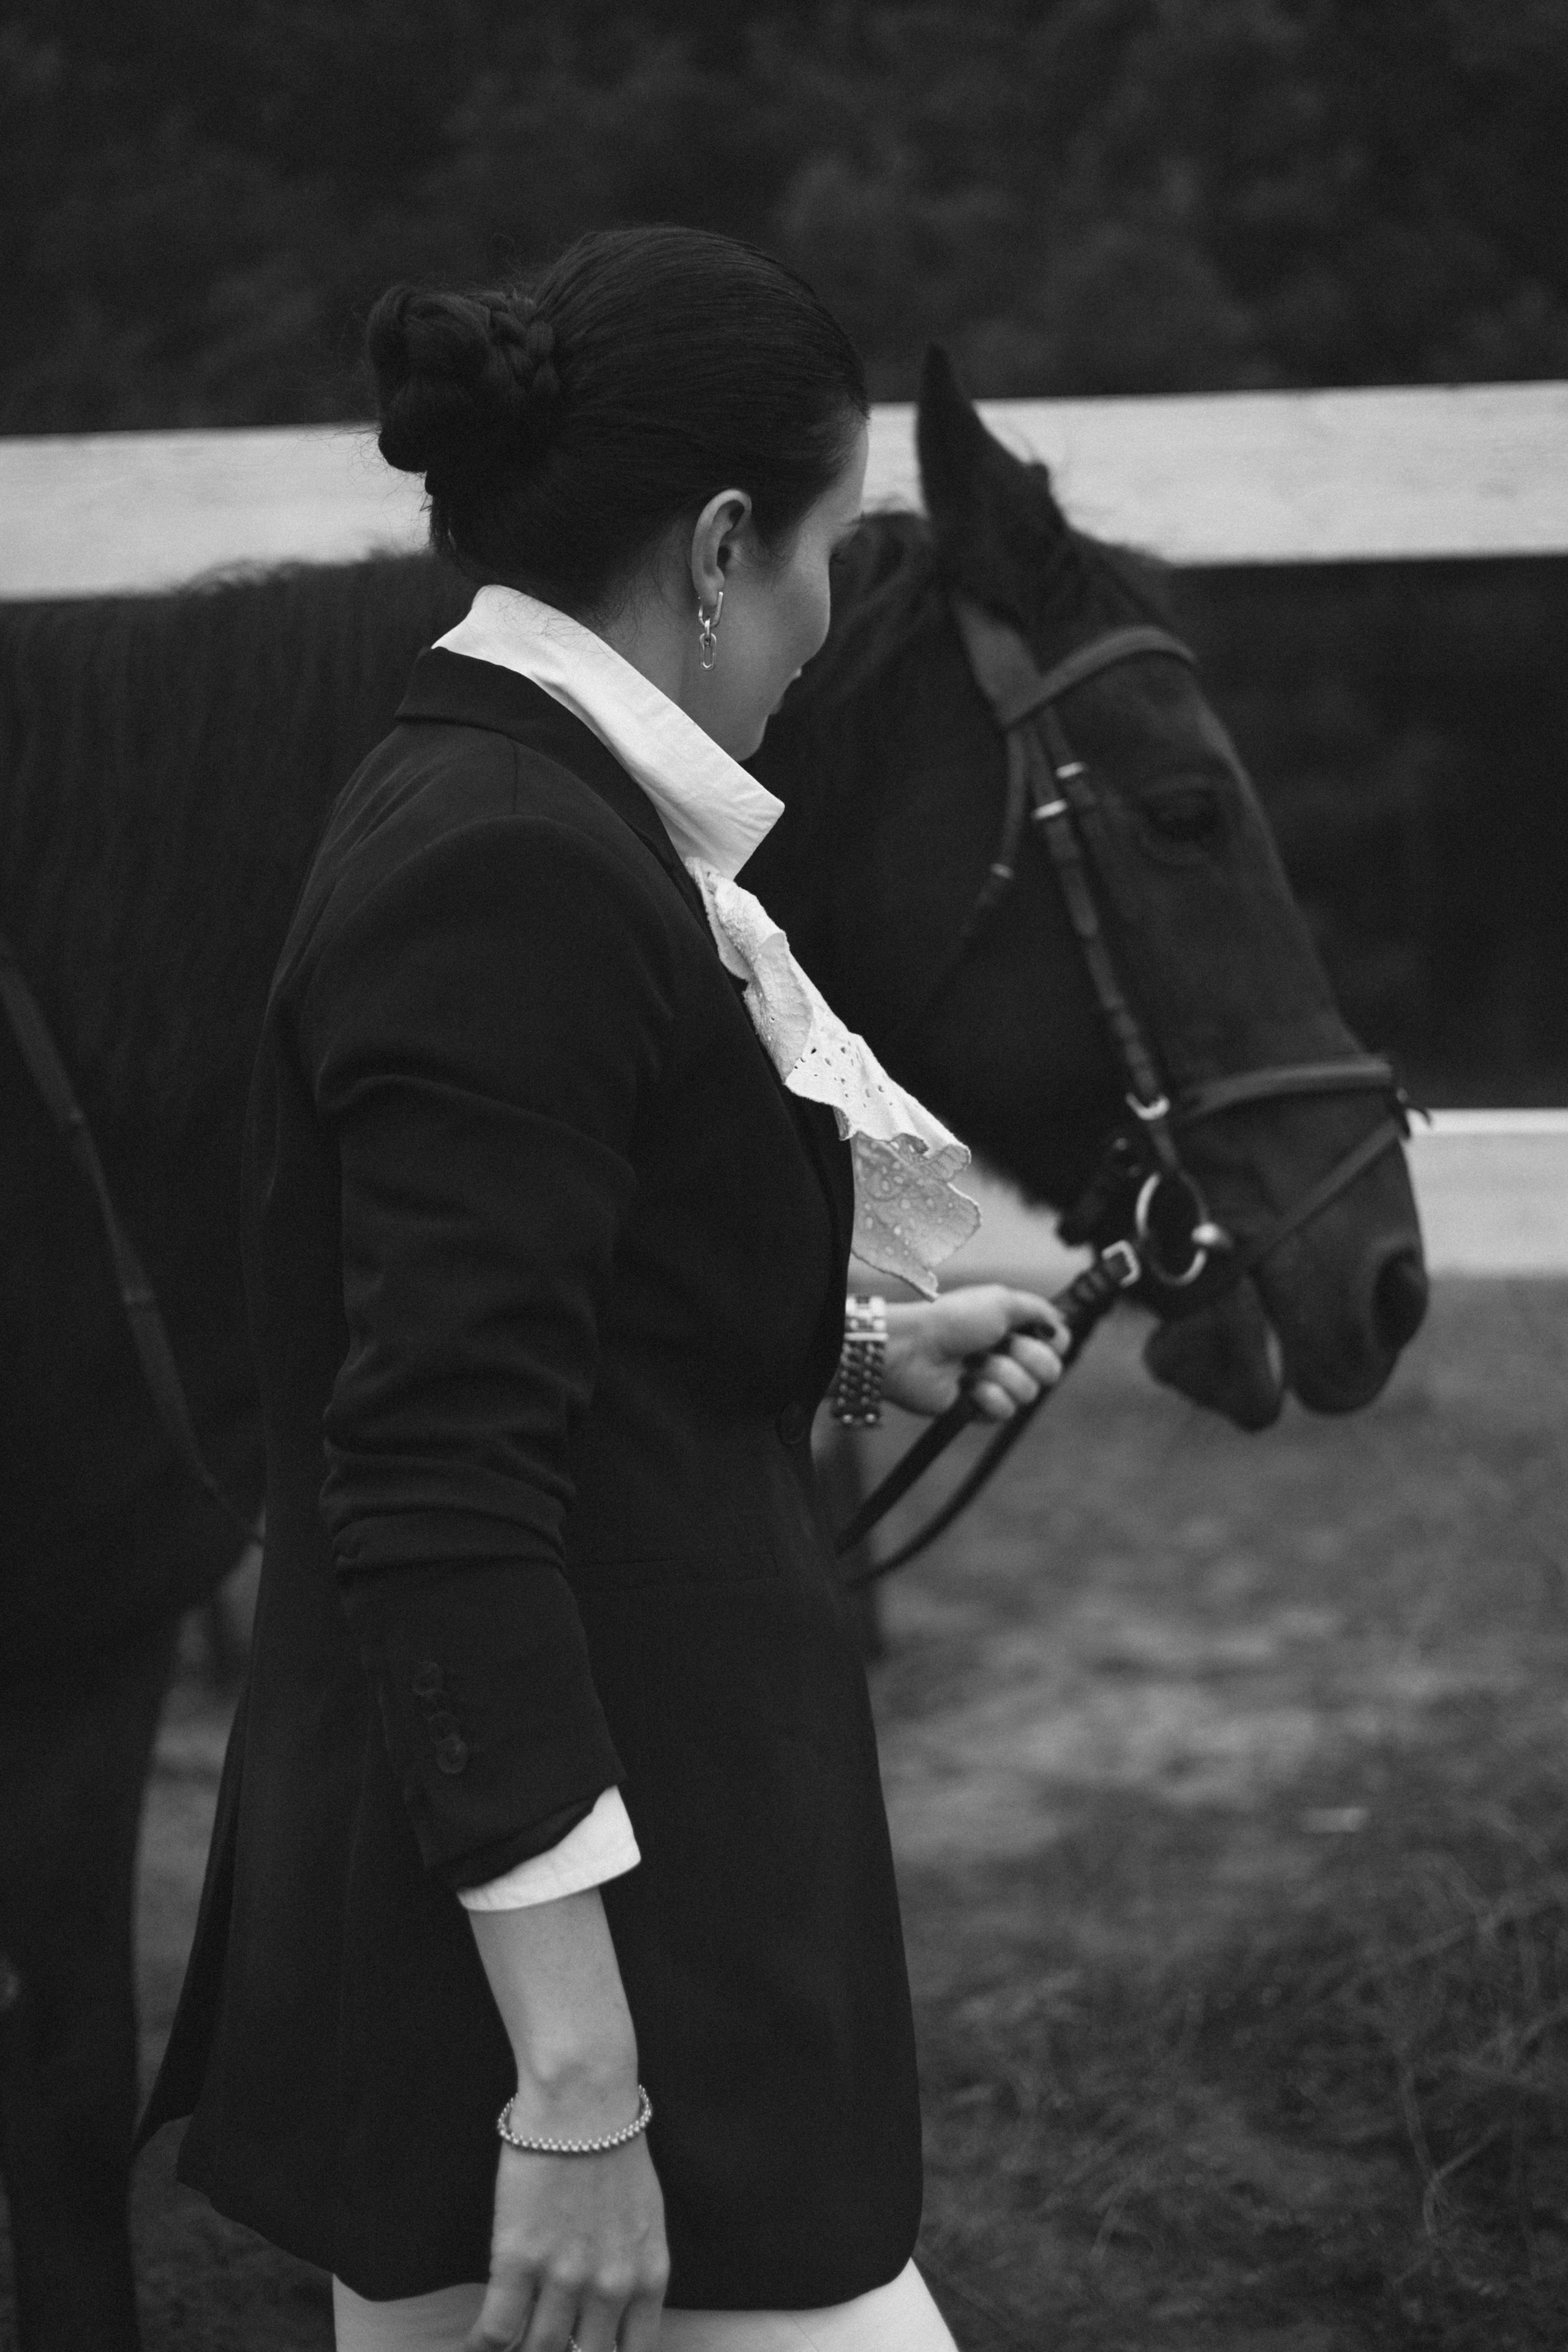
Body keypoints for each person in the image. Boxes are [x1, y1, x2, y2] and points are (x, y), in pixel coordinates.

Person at [140, 225, 1064, 2352]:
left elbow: (570, 1313)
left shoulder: (553, 812)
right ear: (728, 547)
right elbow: (437, 1483)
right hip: (569, 2003)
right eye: (833, 553)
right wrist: (575, 2097)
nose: (828, 624)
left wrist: (847, 1338)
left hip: (625, 1949)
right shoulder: (510, 862)